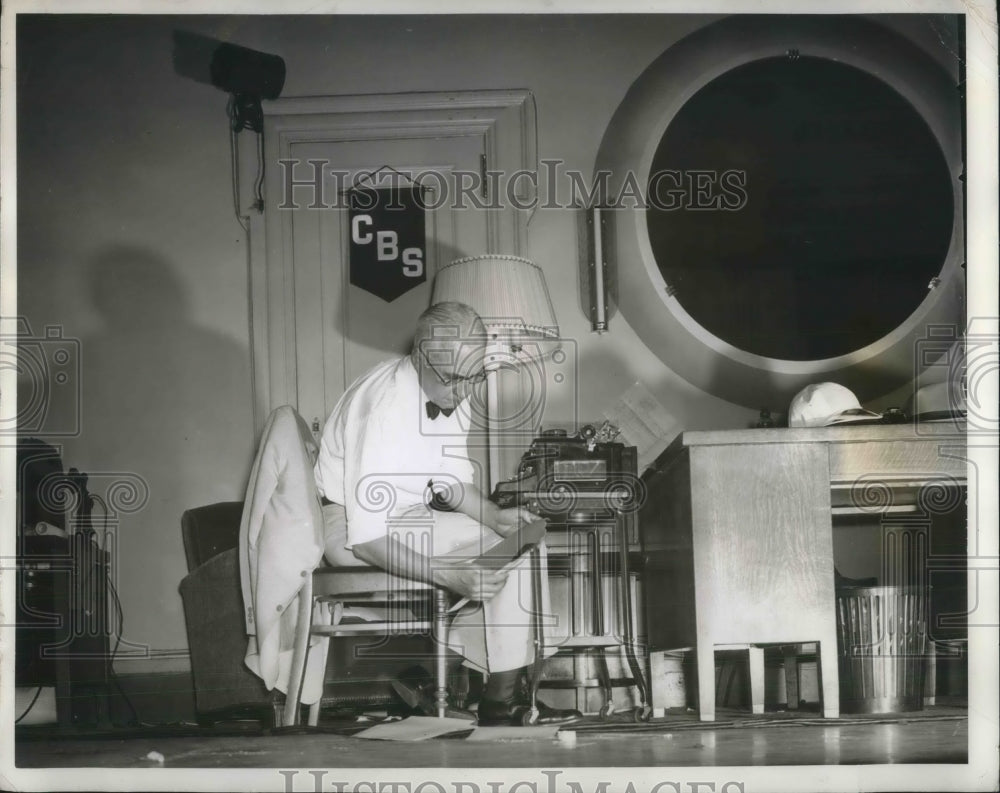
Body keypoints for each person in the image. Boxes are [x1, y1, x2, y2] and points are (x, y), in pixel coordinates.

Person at [313, 301, 580, 726]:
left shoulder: (454, 385)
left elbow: (449, 480)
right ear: (421, 358)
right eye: (455, 379)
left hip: (406, 515)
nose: (464, 391)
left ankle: (477, 685)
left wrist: (493, 517)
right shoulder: (381, 410)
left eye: (475, 376)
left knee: (520, 545)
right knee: (493, 560)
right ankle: (497, 700)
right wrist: (449, 574)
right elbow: (365, 540)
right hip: (347, 526)